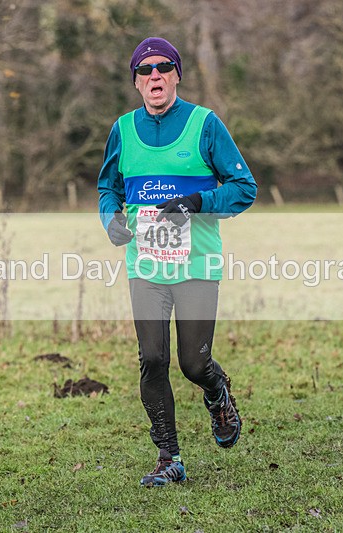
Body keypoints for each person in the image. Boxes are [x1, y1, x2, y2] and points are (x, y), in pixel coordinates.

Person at [97, 37, 257, 487]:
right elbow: (108, 186)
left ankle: (216, 389)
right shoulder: (122, 130)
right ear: (135, 81)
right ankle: (169, 457)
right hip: (145, 266)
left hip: (196, 264)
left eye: (163, 68)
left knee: (192, 362)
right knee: (151, 358)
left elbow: (245, 188)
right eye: (145, 70)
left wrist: (196, 201)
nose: (154, 76)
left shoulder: (205, 124)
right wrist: (110, 219)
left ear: (177, 75)